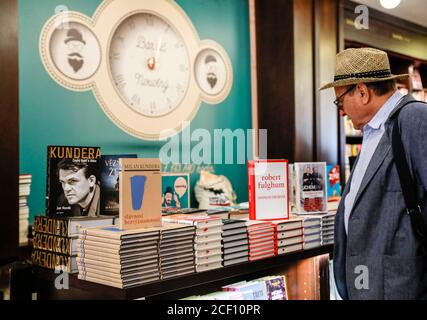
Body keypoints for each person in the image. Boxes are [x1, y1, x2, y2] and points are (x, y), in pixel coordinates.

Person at [320, 47, 427, 299]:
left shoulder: (415, 119)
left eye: (339, 100)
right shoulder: (372, 131)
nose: (340, 110)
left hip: (403, 286)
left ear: (362, 91)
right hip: (372, 285)